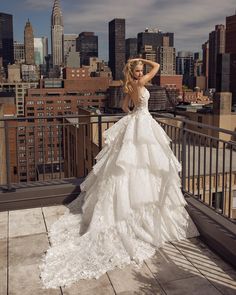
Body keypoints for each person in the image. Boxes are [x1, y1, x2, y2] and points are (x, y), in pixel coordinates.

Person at [40, 58, 199, 289]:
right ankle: (142, 213)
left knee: (134, 167)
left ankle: (136, 210)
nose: (141, 71)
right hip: (144, 122)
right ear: (134, 73)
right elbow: (157, 67)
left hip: (138, 121)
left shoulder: (129, 86)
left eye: (141, 70)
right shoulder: (141, 81)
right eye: (138, 70)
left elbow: (125, 107)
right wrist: (143, 61)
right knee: (144, 166)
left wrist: (135, 111)